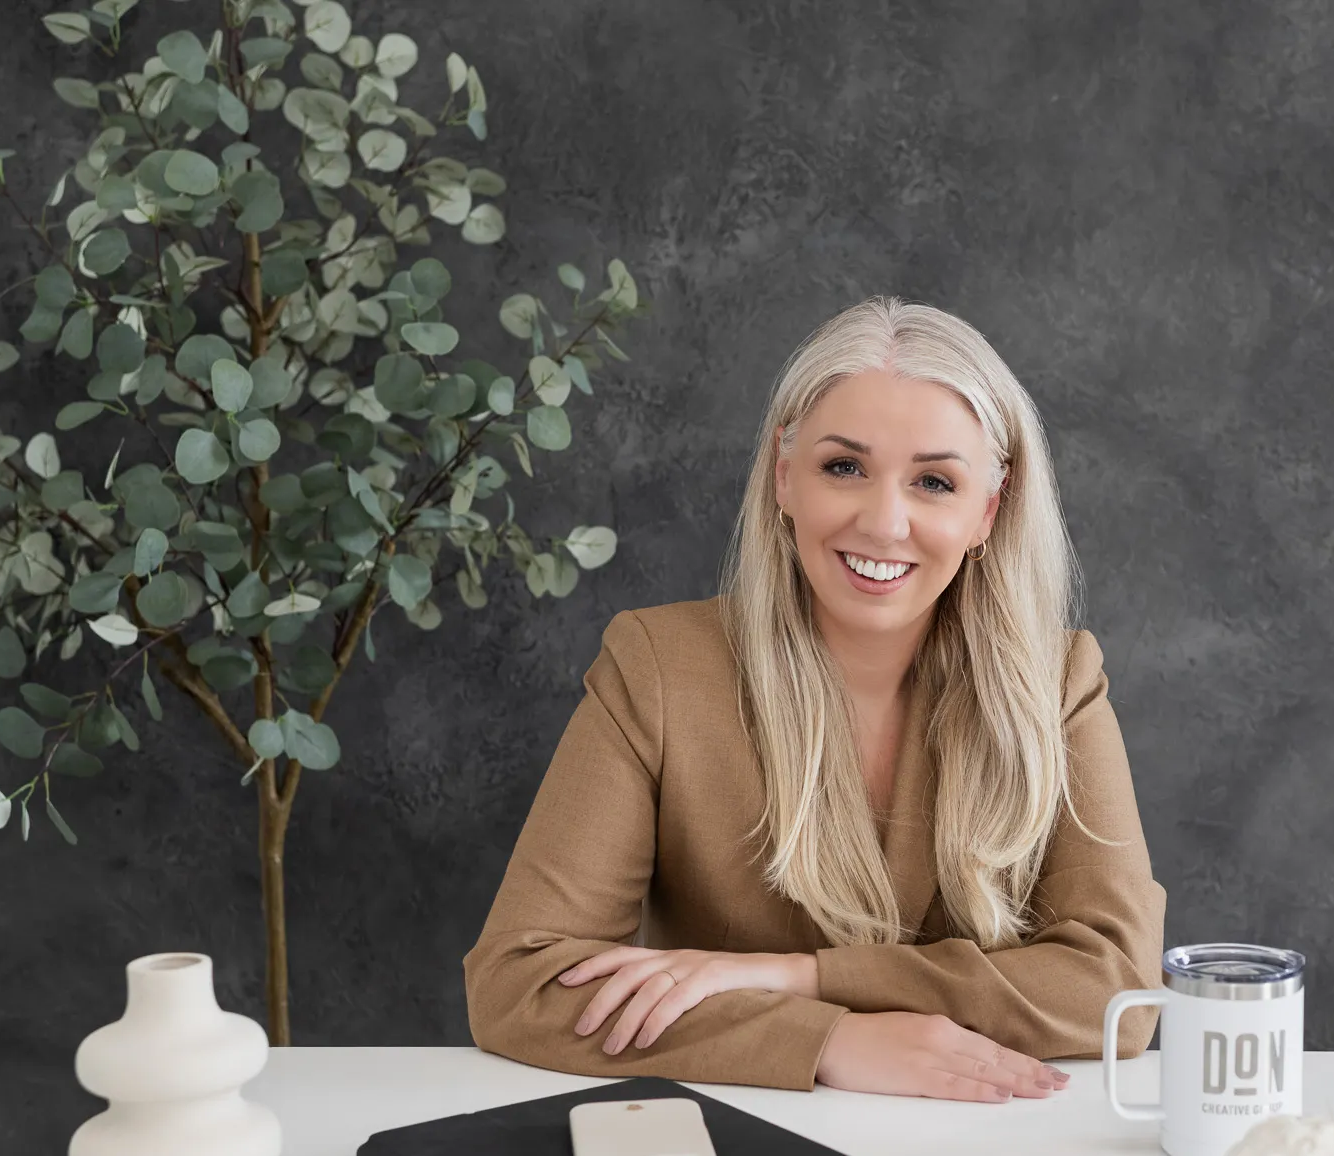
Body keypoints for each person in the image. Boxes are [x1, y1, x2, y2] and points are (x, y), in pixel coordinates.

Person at [462, 296, 1165, 1104]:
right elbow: (518, 982)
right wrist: (829, 1040)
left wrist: (800, 977)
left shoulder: (1058, 679)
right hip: (734, 1154)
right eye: (844, 467)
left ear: (987, 512)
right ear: (783, 474)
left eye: (935, 481)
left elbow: (1118, 992)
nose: (885, 520)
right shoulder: (656, 667)